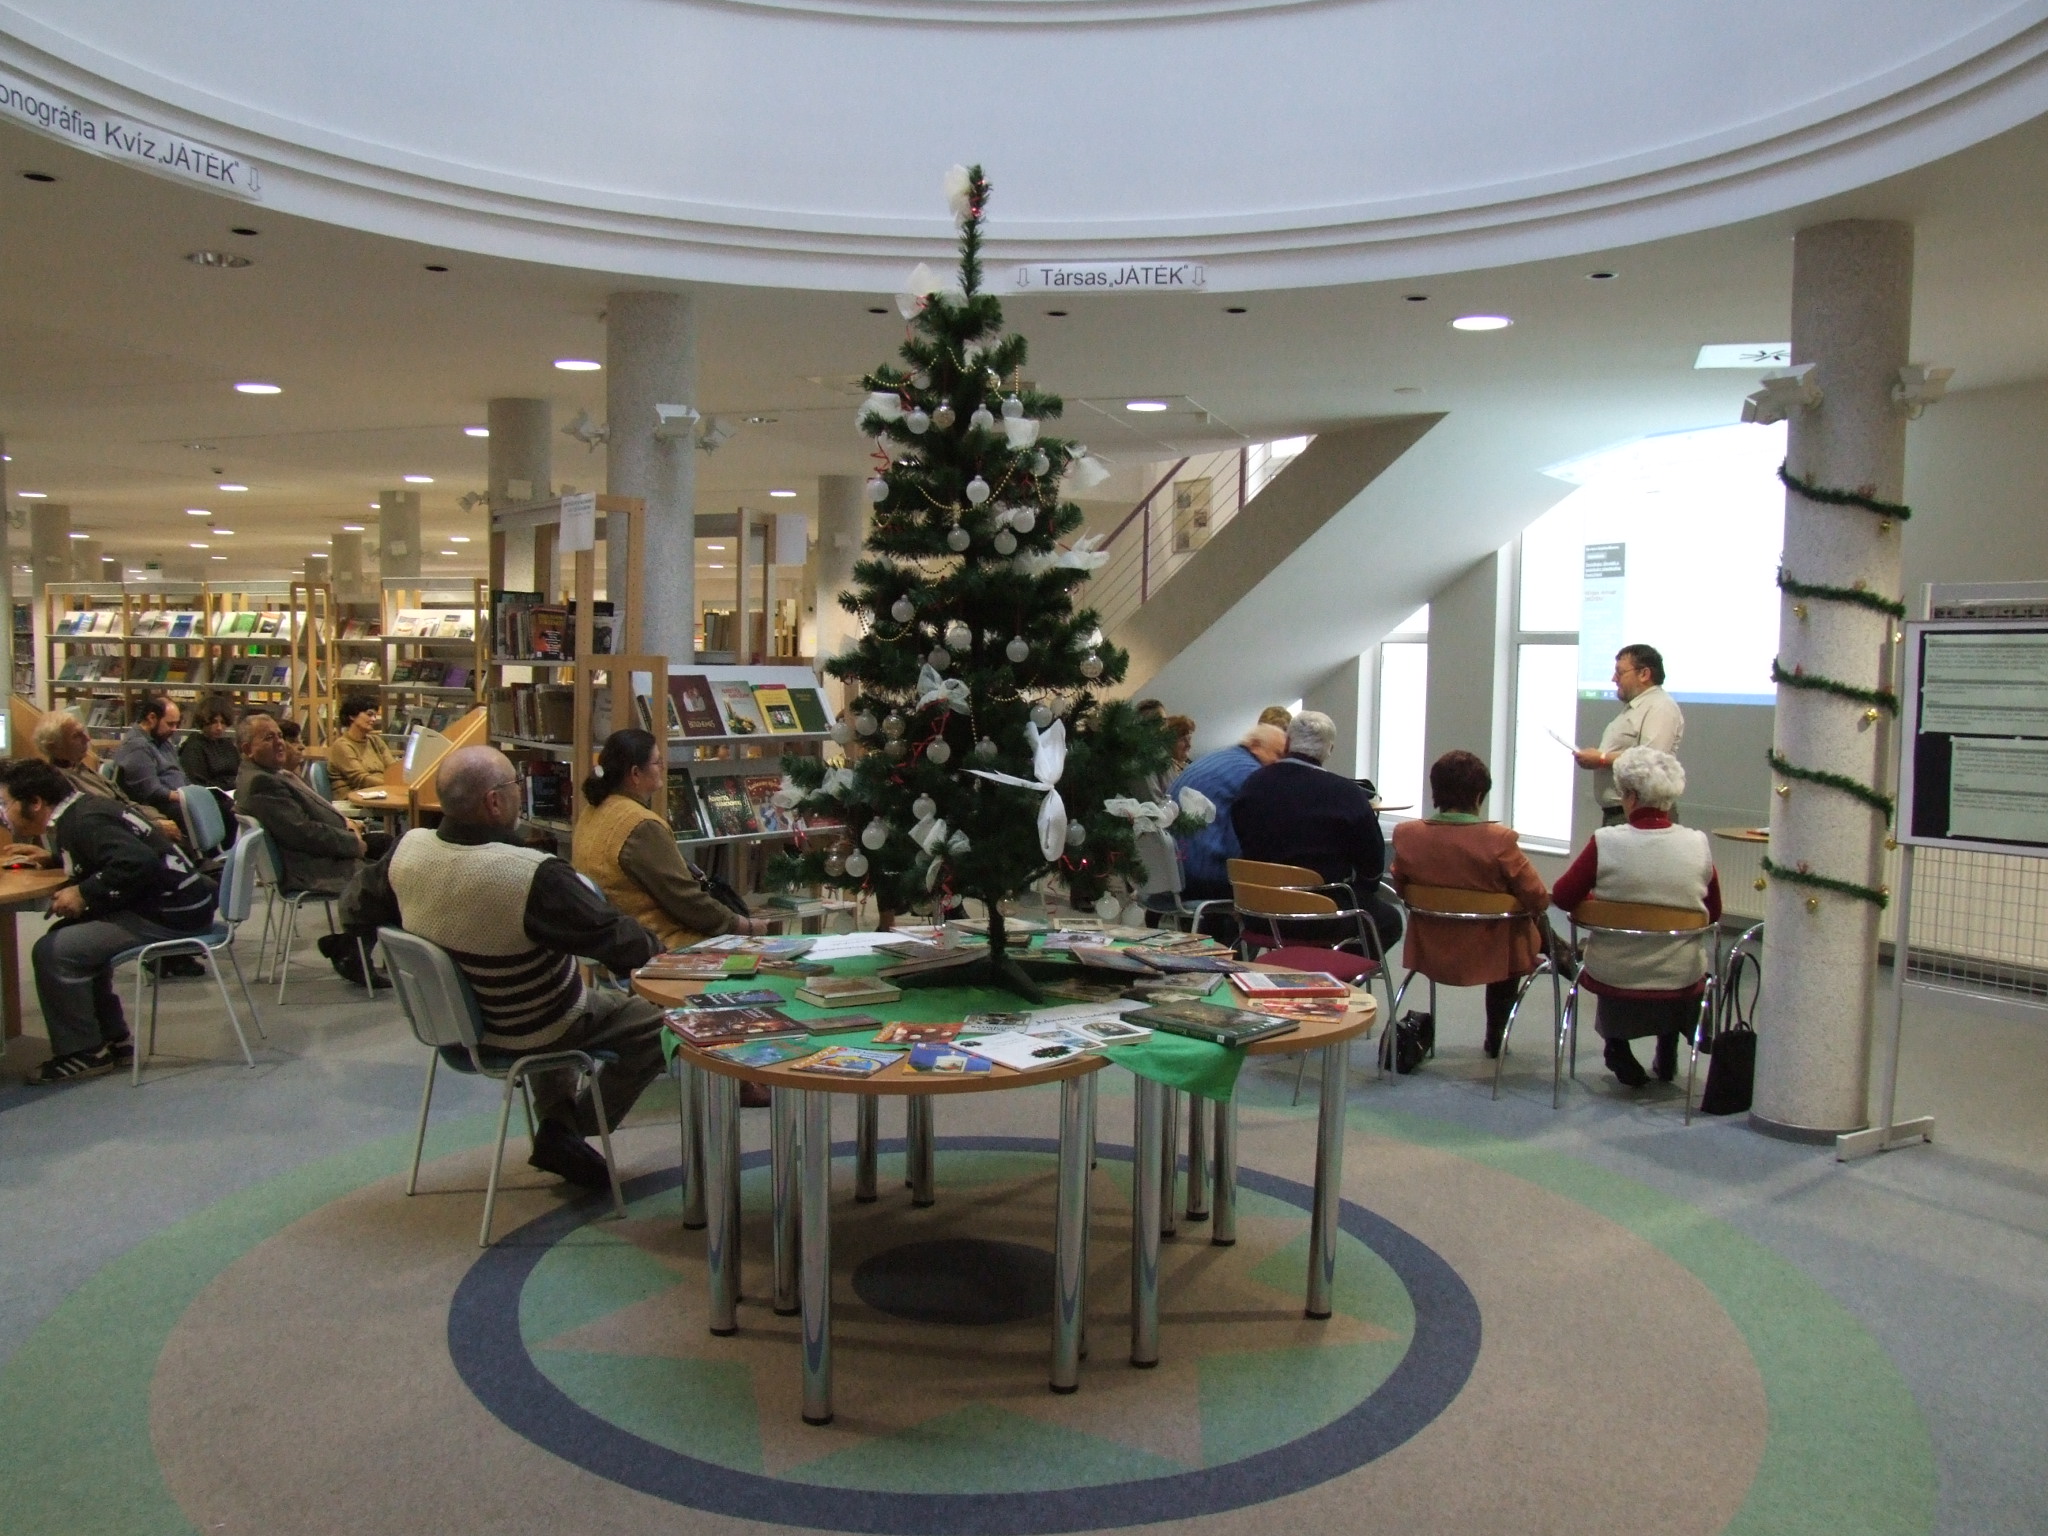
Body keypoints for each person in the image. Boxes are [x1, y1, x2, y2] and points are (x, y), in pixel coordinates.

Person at [342, 745, 668, 1189]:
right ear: (494, 802)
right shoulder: (532, 875)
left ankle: (557, 1120)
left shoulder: (407, 850)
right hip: (529, 1023)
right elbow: (625, 947)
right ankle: (570, 1129)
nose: (520, 792)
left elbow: (354, 908)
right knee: (655, 1024)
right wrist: (660, 946)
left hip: (452, 1024)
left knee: (551, 984)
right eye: (516, 785)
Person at [2, 758, 217, 1086]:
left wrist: (83, 893)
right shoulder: (84, 810)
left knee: (55, 951)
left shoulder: (83, 821)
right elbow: (111, 851)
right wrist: (54, 859)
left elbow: (137, 861)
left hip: (171, 914)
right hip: (184, 903)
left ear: (35, 803)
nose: (4, 812)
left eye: (6, 803)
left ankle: (84, 1052)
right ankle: (111, 1037)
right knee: (72, 935)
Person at [1551, 746, 1721, 1088]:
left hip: (1616, 970)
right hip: (1680, 971)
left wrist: (1600, 904)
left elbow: (1563, 896)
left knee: (1617, 958)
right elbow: (1712, 913)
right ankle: (1668, 1044)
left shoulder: (1605, 842)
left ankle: (1617, 1044)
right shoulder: (1697, 844)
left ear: (1629, 796)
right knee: (1675, 965)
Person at [1389, 751, 1553, 1057]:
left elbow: (1401, 887)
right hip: (1492, 951)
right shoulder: (1499, 840)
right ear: (1479, 796)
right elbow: (1538, 897)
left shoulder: (1407, 835)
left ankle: (1565, 955)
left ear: (1435, 791)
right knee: (1516, 928)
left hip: (1431, 946)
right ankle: (1497, 1035)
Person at [572, 728, 771, 948]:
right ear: (636, 774)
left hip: (614, 942)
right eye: (657, 762)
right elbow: (686, 899)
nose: (663, 767)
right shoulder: (641, 825)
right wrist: (744, 927)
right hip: (658, 943)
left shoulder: (592, 811)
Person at [235, 713, 390, 987]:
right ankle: (353, 949)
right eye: (268, 738)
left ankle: (351, 943)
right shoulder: (262, 783)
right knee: (391, 876)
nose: (280, 743)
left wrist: (346, 826)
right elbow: (303, 833)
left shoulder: (269, 773)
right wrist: (354, 843)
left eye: (279, 736)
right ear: (248, 749)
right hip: (310, 866)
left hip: (321, 850)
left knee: (395, 846)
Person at [1230, 709, 1403, 952]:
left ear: (1288, 743)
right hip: (1322, 916)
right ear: (1329, 750)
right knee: (1389, 921)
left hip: (1259, 913)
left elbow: (1241, 837)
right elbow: (1372, 865)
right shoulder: (1347, 795)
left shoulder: (1252, 785)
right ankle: (1336, 971)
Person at [1168, 723, 1286, 901]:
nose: (1280, 764)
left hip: (1173, 872)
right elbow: (1248, 841)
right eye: (1278, 754)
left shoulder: (1219, 758)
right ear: (1255, 745)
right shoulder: (1253, 775)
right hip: (1203, 876)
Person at [1575, 644, 1684, 826]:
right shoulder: (1635, 707)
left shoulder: (1660, 706)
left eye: (1620, 673)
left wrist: (1601, 759)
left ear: (1644, 674)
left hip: (1642, 815)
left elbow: (1650, 759)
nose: (1613, 679)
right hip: (1623, 814)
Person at [32, 710, 183, 842]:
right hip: (122, 839)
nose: (87, 739)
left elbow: (126, 803)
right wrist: (155, 827)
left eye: (83, 732)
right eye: (76, 736)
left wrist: (157, 818)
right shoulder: (60, 782)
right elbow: (101, 825)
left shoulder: (81, 769)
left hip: (137, 826)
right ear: (54, 747)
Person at [111, 694, 188, 820]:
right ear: (152, 718)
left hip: (179, 797)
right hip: (158, 806)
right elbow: (152, 791)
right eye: (170, 724)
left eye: (177, 724)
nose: (174, 729)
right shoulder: (136, 746)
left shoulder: (163, 740)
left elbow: (180, 774)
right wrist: (185, 798)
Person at [328, 694, 398, 792]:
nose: (374, 719)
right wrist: (393, 786)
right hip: (354, 794)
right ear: (352, 716)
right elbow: (361, 779)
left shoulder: (376, 741)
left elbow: (393, 768)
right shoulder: (342, 745)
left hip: (381, 791)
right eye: (369, 714)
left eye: (375, 716)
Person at [178, 697, 241, 794]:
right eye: (214, 722)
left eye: (223, 722)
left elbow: (239, 772)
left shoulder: (228, 745)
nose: (219, 728)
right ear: (204, 721)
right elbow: (198, 784)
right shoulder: (193, 748)